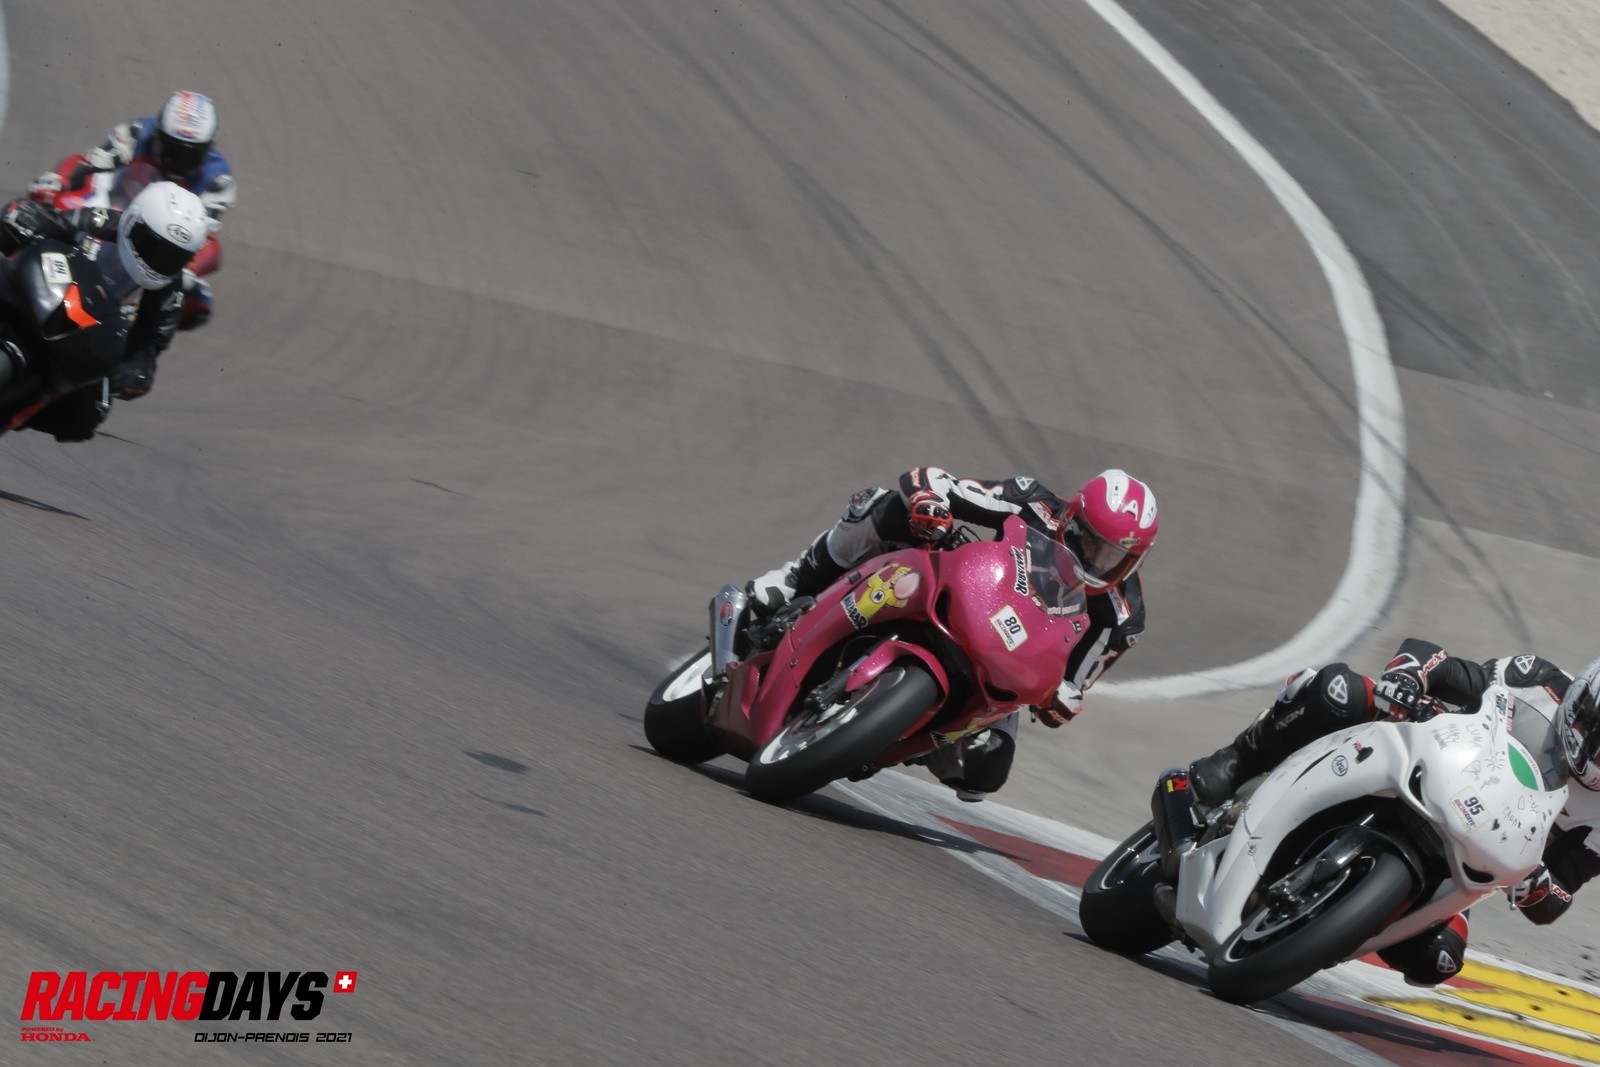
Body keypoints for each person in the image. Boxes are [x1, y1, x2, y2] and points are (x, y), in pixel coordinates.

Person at [1155, 638, 1600, 986]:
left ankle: (1315, 933)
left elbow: (1558, 896)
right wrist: (1408, 678)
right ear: (1580, 701)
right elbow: (1439, 664)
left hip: (1461, 855)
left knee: (1439, 958)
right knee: (1341, 692)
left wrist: (1537, 886)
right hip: (1423, 765)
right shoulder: (1535, 678)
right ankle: (1235, 761)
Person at [746, 466, 1159, 801]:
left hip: (1005, 658)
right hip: (967, 590)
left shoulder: (1123, 617)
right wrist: (929, 501)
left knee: (986, 771)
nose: (1096, 559)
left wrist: (1062, 701)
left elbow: (1075, 684)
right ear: (1071, 517)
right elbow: (931, 479)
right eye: (1088, 541)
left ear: (1137, 561)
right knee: (888, 507)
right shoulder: (1033, 502)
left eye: (1115, 557)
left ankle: (900, 734)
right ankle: (797, 579)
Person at [0, 183, 207, 441]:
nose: (158, 263)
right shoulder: (102, 220)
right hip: (52, 293)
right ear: (133, 224)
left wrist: (137, 370)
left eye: (173, 258)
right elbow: (57, 222)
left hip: (89, 340)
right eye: (152, 247)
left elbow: (152, 340)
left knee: (90, 411)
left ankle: (17, 413)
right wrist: (25, 218)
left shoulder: (171, 290)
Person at [29, 91, 233, 327]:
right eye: (173, 148)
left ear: (208, 149)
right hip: (115, 205)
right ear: (158, 135)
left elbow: (208, 241)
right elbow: (89, 163)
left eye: (192, 154)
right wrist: (58, 180)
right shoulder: (138, 133)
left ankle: (129, 323)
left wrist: (190, 270)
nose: (180, 161)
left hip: (160, 239)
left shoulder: (218, 180)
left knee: (198, 300)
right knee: (47, 203)